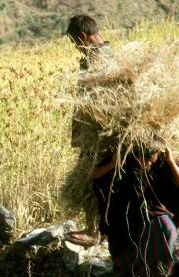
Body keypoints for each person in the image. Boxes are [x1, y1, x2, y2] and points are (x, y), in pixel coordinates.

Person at [91, 147, 179, 277]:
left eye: (151, 159)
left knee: (166, 227)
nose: (148, 163)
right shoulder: (125, 156)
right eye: (144, 159)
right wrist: (112, 164)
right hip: (124, 217)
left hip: (154, 213)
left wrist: (171, 162)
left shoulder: (163, 160)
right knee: (125, 244)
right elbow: (94, 174)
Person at [63, 14, 112, 247]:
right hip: (91, 133)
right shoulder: (102, 58)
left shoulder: (102, 61)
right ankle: (98, 229)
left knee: (94, 179)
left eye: (75, 42)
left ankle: (95, 231)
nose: (76, 48)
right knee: (94, 179)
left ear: (82, 37)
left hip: (99, 134)